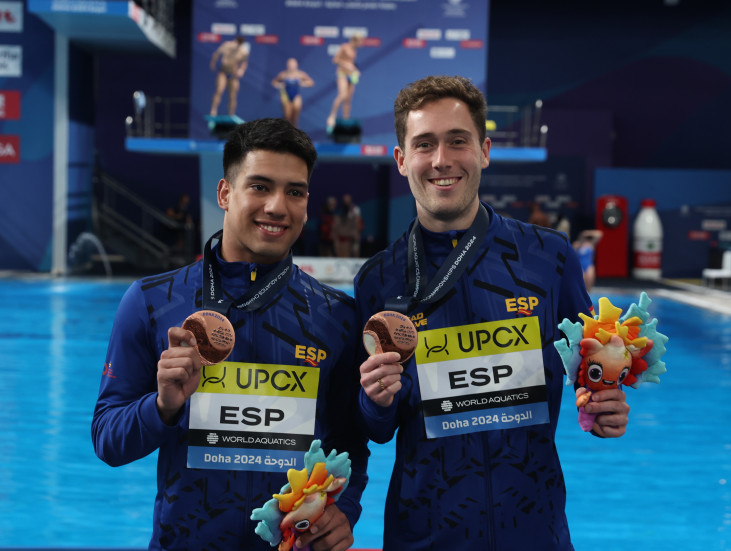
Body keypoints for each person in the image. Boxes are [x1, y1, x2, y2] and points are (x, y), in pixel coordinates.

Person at [353, 75, 630, 551]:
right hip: (424, 535)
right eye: (424, 145)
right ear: (402, 160)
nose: (441, 160)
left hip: (535, 530)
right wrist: (374, 401)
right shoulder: (379, 281)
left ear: (483, 150)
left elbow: (593, 369)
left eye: (457, 141)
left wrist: (605, 407)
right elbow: (374, 431)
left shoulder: (549, 257)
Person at [92, 118, 368, 551]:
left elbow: (349, 444)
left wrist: (344, 508)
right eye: (259, 186)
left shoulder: (337, 317)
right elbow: (108, 439)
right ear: (224, 193)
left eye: (294, 192)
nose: (278, 206)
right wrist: (163, 405)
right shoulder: (152, 302)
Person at [326, 35, 362, 131]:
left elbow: (351, 63)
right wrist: (346, 64)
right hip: (342, 74)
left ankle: (346, 121)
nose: (361, 44)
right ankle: (332, 116)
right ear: (355, 40)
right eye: (359, 42)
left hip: (351, 76)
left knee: (348, 99)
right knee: (342, 95)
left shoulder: (354, 50)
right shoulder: (344, 47)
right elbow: (335, 60)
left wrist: (354, 70)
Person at [209, 36, 250, 117]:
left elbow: (244, 63)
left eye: (239, 45)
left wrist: (241, 70)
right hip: (223, 72)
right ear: (234, 41)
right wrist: (213, 63)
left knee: (232, 95)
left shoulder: (244, 52)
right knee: (219, 90)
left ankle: (231, 115)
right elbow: (216, 54)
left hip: (233, 74)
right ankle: (213, 110)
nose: (236, 46)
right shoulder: (226, 45)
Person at [272, 57, 314, 128]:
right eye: (290, 64)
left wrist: (302, 83)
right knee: (287, 117)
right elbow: (274, 82)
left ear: (296, 65)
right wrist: (280, 85)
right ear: (287, 65)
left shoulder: (300, 74)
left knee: (295, 119)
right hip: (286, 96)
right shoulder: (283, 74)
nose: (292, 66)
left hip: (296, 96)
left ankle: (295, 135)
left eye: (293, 64)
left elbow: (311, 83)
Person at [333, 193, 363, 257]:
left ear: (350, 199)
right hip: (345, 235)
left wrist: (357, 233)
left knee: (355, 250)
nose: (345, 201)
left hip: (353, 234)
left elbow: (358, 221)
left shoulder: (354, 209)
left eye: (347, 199)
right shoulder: (343, 209)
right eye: (344, 199)